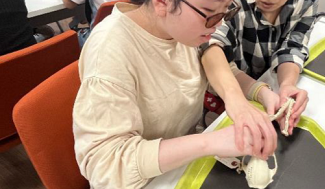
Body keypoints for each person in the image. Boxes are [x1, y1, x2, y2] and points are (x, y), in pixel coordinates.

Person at [72, 0, 282, 188]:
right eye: (209, 13)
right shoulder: (110, 54)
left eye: (226, 11)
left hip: (182, 164)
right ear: (162, 3)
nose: (219, 25)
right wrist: (209, 142)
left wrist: (261, 92)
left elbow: (216, 70)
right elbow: (105, 166)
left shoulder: (180, 29)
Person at [201, 0, 316, 136]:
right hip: (224, 93)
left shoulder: (305, 3)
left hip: (263, 91)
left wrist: (287, 84)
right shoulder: (230, 3)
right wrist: (237, 99)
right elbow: (211, 48)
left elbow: (292, 48)